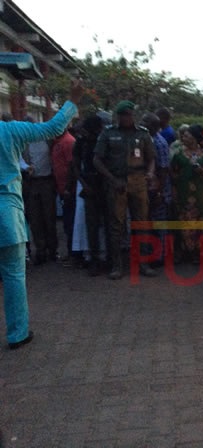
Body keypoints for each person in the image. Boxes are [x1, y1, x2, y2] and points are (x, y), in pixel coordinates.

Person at [0, 79, 83, 350]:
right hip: (7, 211)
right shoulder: (10, 130)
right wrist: (72, 99)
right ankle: (17, 333)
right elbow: (53, 128)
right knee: (13, 273)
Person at [93, 101, 158, 280]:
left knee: (142, 223)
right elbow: (97, 160)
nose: (127, 117)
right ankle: (116, 266)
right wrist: (112, 180)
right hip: (117, 182)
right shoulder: (108, 134)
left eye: (130, 114)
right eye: (124, 114)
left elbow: (151, 158)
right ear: (119, 116)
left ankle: (144, 263)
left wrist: (150, 173)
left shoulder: (143, 134)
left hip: (138, 181)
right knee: (116, 225)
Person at [170, 124, 203, 263]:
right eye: (183, 135)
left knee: (200, 223)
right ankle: (184, 252)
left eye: (187, 135)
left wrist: (202, 171)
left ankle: (198, 253)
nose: (184, 137)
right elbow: (172, 172)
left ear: (195, 138)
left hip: (201, 196)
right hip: (184, 195)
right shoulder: (178, 154)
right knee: (184, 222)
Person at [72, 114, 111, 276]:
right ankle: (94, 259)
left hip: (105, 185)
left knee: (108, 224)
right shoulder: (81, 143)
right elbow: (75, 166)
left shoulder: (104, 141)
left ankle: (107, 258)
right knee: (92, 225)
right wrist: (84, 184)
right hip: (89, 185)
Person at [22, 120, 59, 265]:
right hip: (31, 183)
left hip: (47, 181)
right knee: (35, 219)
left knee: (49, 217)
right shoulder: (24, 143)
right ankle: (41, 250)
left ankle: (53, 250)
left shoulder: (48, 140)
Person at [140, 112, 171, 265]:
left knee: (159, 224)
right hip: (147, 188)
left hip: (158, 190)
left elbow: (164, 170)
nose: (142, 123)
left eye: (145, 121)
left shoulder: (160, 143)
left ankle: (161, 256)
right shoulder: (146, 139)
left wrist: (160, 192)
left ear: (154, 126)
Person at [50, 128, 77, 262]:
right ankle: (71, 251)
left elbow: (72, 167)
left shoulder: (68, 142)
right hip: (61, 189)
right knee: (67, 222)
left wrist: (68, 188)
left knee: (70, 222)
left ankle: (74, 253)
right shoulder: (56, 142)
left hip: (69, 190)